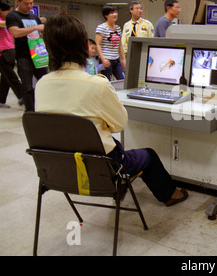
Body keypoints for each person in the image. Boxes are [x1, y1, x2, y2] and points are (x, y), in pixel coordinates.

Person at [35, 14, 188, 206]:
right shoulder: (97, 85)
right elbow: (119, 125)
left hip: (59, 171)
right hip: (102, 167)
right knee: (149, 155)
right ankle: (170, 195)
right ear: (84, 45)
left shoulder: (41, 85)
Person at [6, 0, 47, 112]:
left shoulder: (34, 17)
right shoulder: (12, 16)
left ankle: (43, 106)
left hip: (38, 54)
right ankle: (30, 111)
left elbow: (41, 33)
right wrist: (34, 27)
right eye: (26, 3)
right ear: (18, 1)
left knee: (45, 81)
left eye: (31, 3)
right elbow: (15, 32)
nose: (29, 6)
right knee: (27, 85)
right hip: (23, 56)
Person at [0, 0, 23, 108]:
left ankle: (0, 100)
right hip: (1, 54)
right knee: (12, 77)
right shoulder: (3, 21)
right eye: (8, 12)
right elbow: (3, 24)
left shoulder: (7, 21)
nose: (9, 15)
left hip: (10, 52)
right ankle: (23, 97)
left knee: (6, 79)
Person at [95, 4, 126, 81]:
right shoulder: (101, 28)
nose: (114, 14)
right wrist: (102, 59)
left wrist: (124, 59)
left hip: (116, 59)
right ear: (106, 15)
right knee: (106, 81)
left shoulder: (118, 28)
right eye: (112, 13)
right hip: (106, 59)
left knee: (122, 80)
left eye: (115, 12)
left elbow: (120, 45)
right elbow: (97, 44)